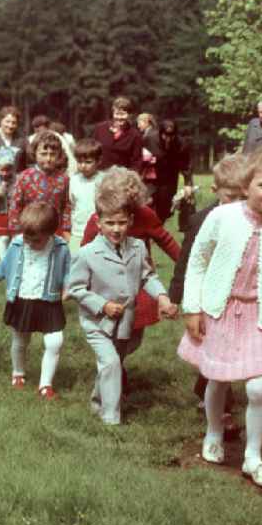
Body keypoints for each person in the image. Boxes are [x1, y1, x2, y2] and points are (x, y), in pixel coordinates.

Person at [178, 147, 262, 488]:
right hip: (219, 311)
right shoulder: (222, 217)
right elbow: (197, 261)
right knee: (217, 378)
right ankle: (213, 432)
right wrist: (192, 306)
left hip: (259, 316)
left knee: (259, 386)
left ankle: (253, 455)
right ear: (247, 186)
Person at [68, 180, 173, 425]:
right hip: (96, 323)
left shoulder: (137, 247)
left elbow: (148, 275)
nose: (116, 229)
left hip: (125, 321)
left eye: (122, 222)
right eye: (110, 223)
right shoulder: (87, 254)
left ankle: (97, 401)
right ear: (98, 223)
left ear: (131, 221)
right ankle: (111, 420)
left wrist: (163, 297)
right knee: (111, 362)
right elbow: (75, 288)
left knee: (111, 363)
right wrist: (102, 305)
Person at [168, 153, 246, 437]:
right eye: (230, 197)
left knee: (227, 350)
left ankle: (208, 390)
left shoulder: (253, 223)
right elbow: (187, 260)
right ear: (215, 191)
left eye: (243, 197)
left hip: (237, 299)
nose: (237, 204)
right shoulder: (203, 220)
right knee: (216, 350)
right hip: (205, 297)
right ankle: (221, 409)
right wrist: (177, 298)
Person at [0, 202, 71, 400]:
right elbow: (1, 268)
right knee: (21, 340)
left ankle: (45, 385)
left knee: (55, 342)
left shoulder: (61, 248)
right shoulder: (17, 245)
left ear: (50, 233)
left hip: (48, 302)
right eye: (27, 237)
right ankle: (18, 374)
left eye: (37, 240)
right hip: (22, 300)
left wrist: (68, 288)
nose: (30, 243)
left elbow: (68, 272)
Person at [80, 167, 179, 344]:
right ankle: (111, 363)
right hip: (107, 281)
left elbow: (166, 240)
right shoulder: (100, 219)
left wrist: (184, 262)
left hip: (137, 277)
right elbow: (84, 250)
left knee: (134, 333)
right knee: (110, 327)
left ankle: (117, 359)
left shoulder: (145, 215)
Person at [8, 130, 71, 240]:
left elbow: (66, 206)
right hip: (30, 232)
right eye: (43, 154)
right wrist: (16, 233)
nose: (48, 158)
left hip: (55, 233)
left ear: (59, 155)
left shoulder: (64, 179)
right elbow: (15, 206)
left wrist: (66, 229)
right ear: (34, 153)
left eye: (53, 154)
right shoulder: (24, 177)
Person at [151, 119, 194, 223]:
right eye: (165, 136)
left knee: (165, 210)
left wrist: (188, 183)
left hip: (169, 180)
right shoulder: (150, 139)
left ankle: (157, 230)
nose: (168, 139)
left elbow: (186, 165)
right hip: (151, 179)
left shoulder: (182, 144)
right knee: (148, 207)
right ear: (160, 133)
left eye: (171, 136)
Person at [69, 138, 105, 253]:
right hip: (77, 232)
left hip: (100, 232)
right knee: (76, 263)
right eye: (80, 162)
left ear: (98, 161)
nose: (83, 166)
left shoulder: (104, 180)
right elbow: (72, 204)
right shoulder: (73, 180)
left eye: (88, 162)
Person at [92, 95, 143, 171]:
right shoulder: (100, 128)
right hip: (100, 174)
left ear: (129, 115)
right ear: (112, 113)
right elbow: (92, 151)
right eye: (117, 114)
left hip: (121, 178)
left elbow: (136, 162)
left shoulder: (135, 135)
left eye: (123, 114)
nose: (119, 117)